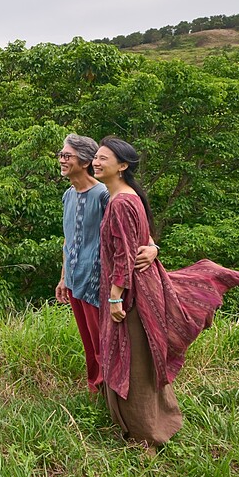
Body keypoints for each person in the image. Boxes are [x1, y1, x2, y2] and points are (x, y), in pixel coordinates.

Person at [92, 137, 239, 446]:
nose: (96, 162)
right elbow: (141, 239)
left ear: (122, 166)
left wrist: (114, 296)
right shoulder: (126, 197)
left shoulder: (121, 202)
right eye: (95, 157)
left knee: (134, 361)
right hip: (140, 287)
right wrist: (152, 247)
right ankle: (149, 423)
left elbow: (125, 255)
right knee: (139, 356)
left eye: (103, 158)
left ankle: (146, 436)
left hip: (132, 294)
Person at [54, 134, 156, 394]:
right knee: (88, 343)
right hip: (75, 279)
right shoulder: (68, 195)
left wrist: (153, 248)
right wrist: (64, 277)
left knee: (103, 343)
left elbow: (130, 233)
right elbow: (69, 239)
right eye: (61, 155)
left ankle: (107, 396)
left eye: (67, 155)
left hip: (97, 282)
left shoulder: (104, 194)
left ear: (84, 161)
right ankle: (94, 390)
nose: (62, 160)